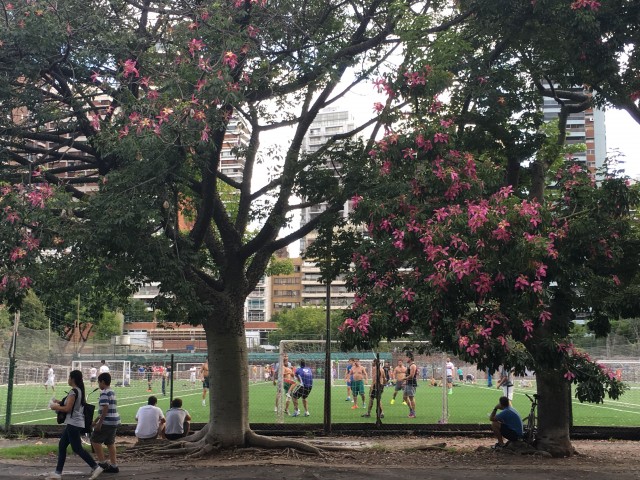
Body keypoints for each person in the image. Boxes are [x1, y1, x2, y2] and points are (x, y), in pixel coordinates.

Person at [47, 370, 104, 480]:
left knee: (77, 448)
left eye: (69, 377)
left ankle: (96, 466)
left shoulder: (74, 391)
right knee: (62, 445)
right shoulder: (79, 391)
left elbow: (68, 408)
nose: (68, 379)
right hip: (74, 423)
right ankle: (57, 473)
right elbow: (71, 405)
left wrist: (55, 407)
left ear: (73, 379)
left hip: (74, 423)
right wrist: (59, 402)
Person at [91, 372, 121, 474]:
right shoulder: (112, 391)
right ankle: (114, 465)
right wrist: (95, 421)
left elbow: (105, 409)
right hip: (114, 421)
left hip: (107, 422)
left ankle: (102, 463)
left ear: (102, 382)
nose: (98, 385)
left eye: (98, 382)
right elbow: (104, 410)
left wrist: (99, 424)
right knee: (110, 442)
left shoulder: (104, 392)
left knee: (95, 440)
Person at [403, 352, 418, 418]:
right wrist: (405, 381)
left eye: (407, 357)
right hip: (408, 383)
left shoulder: (413, 366)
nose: (406, 358)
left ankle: (413, 413)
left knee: (411, 398)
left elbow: (411, 375)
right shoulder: (409, 365)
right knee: (405, 397)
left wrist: (404, 378)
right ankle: (411, 410)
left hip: (411, 383)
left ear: (410, 358)